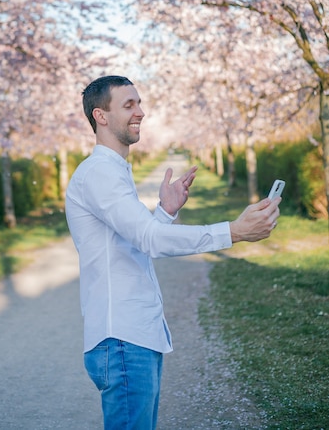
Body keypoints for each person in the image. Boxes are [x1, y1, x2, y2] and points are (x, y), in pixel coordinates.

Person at [65, 75, 280, 430]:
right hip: (122, 340)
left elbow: (136, 242)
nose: (141, 112)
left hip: (132, 338)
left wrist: (165, 212)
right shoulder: (100, 173)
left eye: (139, 103)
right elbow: (150, 240)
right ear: (101, 116)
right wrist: (234, 231)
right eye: (129, 105)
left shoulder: (113, 171)